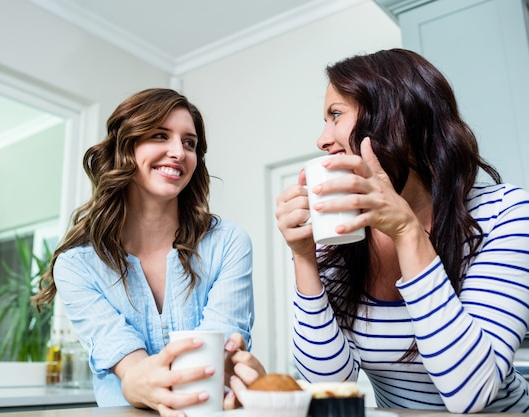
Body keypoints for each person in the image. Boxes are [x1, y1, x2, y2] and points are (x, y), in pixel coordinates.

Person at [274, 48, 529, 413]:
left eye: (335, 115)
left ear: (395, 116)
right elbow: (327, 385)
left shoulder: (505, 213)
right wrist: (303, 258)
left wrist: (407, 233)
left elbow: (471, 394)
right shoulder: (347, 235)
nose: (322, 139)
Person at [33, 88, 264, 416]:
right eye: (159, 135)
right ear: (125, 147)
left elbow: (216, 363)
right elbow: (134, 370)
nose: (179, 152)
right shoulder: (76, 266)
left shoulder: (228, 243)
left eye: (189, 142)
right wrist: (135, 379)